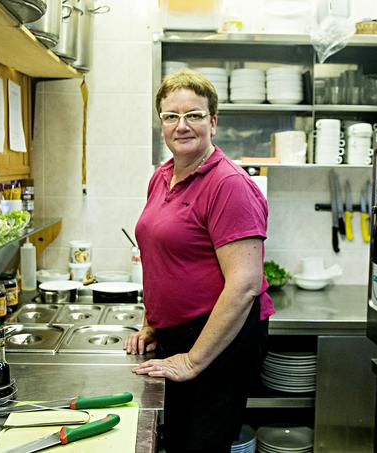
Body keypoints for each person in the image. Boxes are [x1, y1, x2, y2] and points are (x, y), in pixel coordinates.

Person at [124, 69, 274, 452]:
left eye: (194, 115)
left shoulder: (229, 185)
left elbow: (244, 286)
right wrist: (152, 324)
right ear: (161, 123)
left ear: (213, 121)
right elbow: (161, 258)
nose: (182, 125)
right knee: (173, 440)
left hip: (221, 338)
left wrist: (192, 361)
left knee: (200, 446)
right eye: (171, 116)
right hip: (179, 333)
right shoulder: (162, 177)